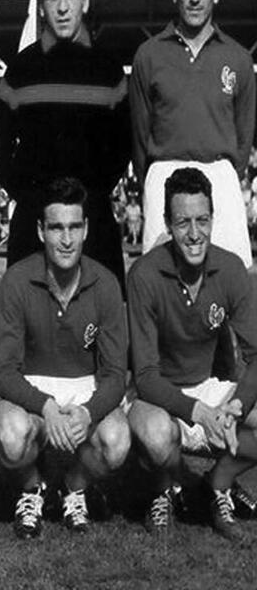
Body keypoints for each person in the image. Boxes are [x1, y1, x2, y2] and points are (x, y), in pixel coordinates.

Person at [0, 177, 129, 539]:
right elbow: (5, 373)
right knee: (9, 434)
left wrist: (86, 411)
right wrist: (46, 407)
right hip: (36, 386)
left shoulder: (107, 284)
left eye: (73, 228)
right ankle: (33, 487)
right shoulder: (17, 281)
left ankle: (74, 487)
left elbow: (116, 375)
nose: (65, 240)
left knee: (117, 441)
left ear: (85, 229)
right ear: (41, 230)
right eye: (56, 228)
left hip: (86, 389)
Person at [127, 167, 257, 540]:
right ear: (167, 223)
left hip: (208, 387)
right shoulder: (145, 275)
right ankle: (164, 489)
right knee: (155, 435)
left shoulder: (231, 268)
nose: (194, 233)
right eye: (183, 222)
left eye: (202, 220)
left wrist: (237, 407)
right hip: (157, 396)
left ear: (213, 219)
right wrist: (201, 414)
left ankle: (217, 484)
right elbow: (147, 376)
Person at [0, 0, 130, 287]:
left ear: (85, 1)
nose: (63, 7)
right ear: (42, 4)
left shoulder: (108, 68)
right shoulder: (21, 69)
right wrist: (29, 196)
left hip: (93, 221)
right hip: (32, 224)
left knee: (100, 330)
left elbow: (123, 145)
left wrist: (92, 195)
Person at [130, 0, 255, 269]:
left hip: (221, 180)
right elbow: (140, 137)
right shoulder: (148, 55)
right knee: (161, 287)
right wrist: (157, 178)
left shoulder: (239, 59)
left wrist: (222, 173)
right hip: (164, 179)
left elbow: (243, 138)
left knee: (232, 286)